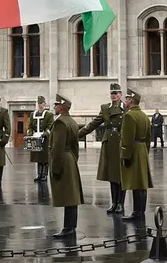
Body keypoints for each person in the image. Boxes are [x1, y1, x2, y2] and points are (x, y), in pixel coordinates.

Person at [78, 82, 125, 213]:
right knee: (111, 175)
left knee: (120, 175)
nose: (114, 95)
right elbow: (94, 124)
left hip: (121, 142)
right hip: (109, 142)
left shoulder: (126, 108)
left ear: (121, 95)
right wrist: (77, 134)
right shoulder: (105, 108)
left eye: (116, 93)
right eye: (112, 93)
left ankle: (121, 203)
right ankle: (114, 202)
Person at [48, 94, 82, 239]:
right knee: (72, 196)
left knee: (68, 196)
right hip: (71, 159)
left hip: (63, 159)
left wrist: (55, 168)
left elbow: (57, 148)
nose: (54, 107)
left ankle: (68, 228)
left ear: (61, 107)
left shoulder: (60, 123)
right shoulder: (72, 122)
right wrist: (73, 159)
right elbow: (75, 146)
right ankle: (70, 226)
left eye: (56, 105)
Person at [119, 89, 153, 222]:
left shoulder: (129, 116)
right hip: (142, 149)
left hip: (133, 150)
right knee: (142, 183)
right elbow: (149, 137)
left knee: (135, 183)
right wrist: (145, 152)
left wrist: (125, 155)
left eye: (127, 99)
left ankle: (136, 212)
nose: (125, 101)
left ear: (131, 100)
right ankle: (141, 211)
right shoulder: (144, 116)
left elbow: (127, 138)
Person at [29, 96, 52, 183]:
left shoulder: (48, 115)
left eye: (41, 103)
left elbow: (50, 126)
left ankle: (44, 175)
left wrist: (45, 134)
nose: (40, 105)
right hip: (35, 137)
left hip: (44, 139)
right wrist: (29, 134)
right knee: (38, 158)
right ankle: (39, 174)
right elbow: (30, 126)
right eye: (39, 103)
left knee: (45, 158)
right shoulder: (33, 114)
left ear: (44, 104)